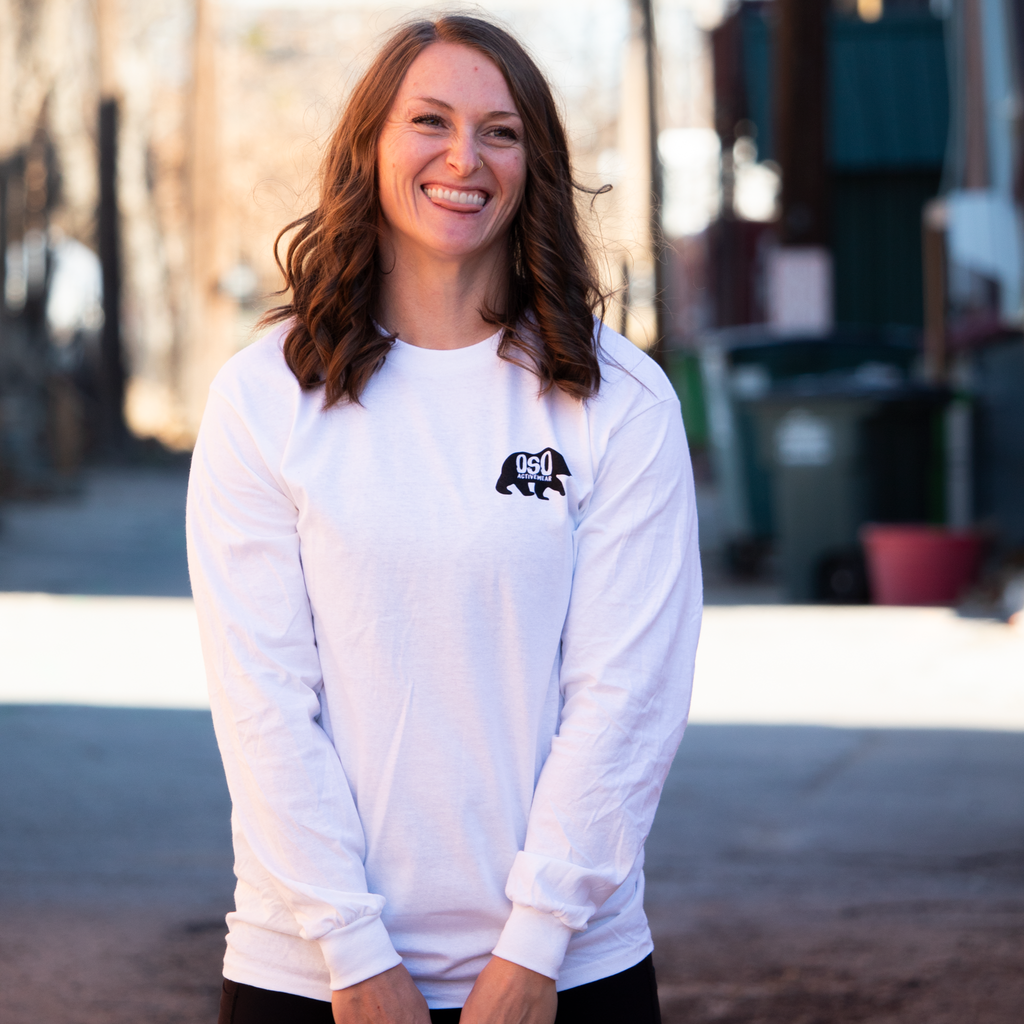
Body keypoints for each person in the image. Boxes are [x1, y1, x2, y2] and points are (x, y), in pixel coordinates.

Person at [186, 14, 702, 1024]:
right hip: (308, 971)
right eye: (429, 121)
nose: (463, 157)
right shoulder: (265, 398)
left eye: (500, 132)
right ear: (369, 147)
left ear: (533, 163)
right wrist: (350, 949)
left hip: (569, 971)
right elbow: (263, 702)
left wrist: (534, 948)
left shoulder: (617, 398)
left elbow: (626, 698)